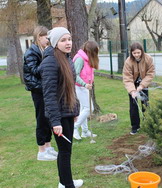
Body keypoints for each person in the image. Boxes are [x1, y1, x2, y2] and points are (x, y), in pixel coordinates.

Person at [40, 27, 83, 188]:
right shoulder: (50, 62)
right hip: (59, 116)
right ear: (55, 43)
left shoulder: (66, 58)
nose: (68, 43)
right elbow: (49, 96)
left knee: (67, 150)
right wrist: (55, 122)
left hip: (67, 112)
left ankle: (64, 182)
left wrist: (75, 111)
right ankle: (67, 184)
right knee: (64, 152)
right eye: (63, 40)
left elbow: (70, 89)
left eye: (69, 39)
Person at [23, 26, 57, 161]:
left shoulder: (42, 50)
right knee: (41, 119)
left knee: (48, 118)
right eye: (46, 38)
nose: (48, 40)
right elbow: (36, 71)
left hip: (45, 89)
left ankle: (48, 146)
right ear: (39, 37)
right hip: (38, 90)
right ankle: (41, 150)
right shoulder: (31, 52)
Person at [123, 42, 155, 135]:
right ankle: (135, 127)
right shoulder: (128, 61)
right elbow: (127, 77)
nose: (136, 55)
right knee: (133, 106)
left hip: (143, 85)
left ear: (142, 51)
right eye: (134, 53)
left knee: (145, 104)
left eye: (138, 52)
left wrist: (142, 86)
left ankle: (148, 124)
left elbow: (150, 73)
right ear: (131, 53)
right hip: (132, 85)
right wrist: (132, 91)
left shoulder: (148, 58)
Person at [72, 41, 99, 140]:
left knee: (84, 109)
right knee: (89, 108)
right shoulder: (80, 59)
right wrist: (85, 84)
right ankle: (75, 127)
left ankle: (85, 131)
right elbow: (75, 75)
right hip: (79, 87)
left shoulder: (86, 59)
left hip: (84, 87)